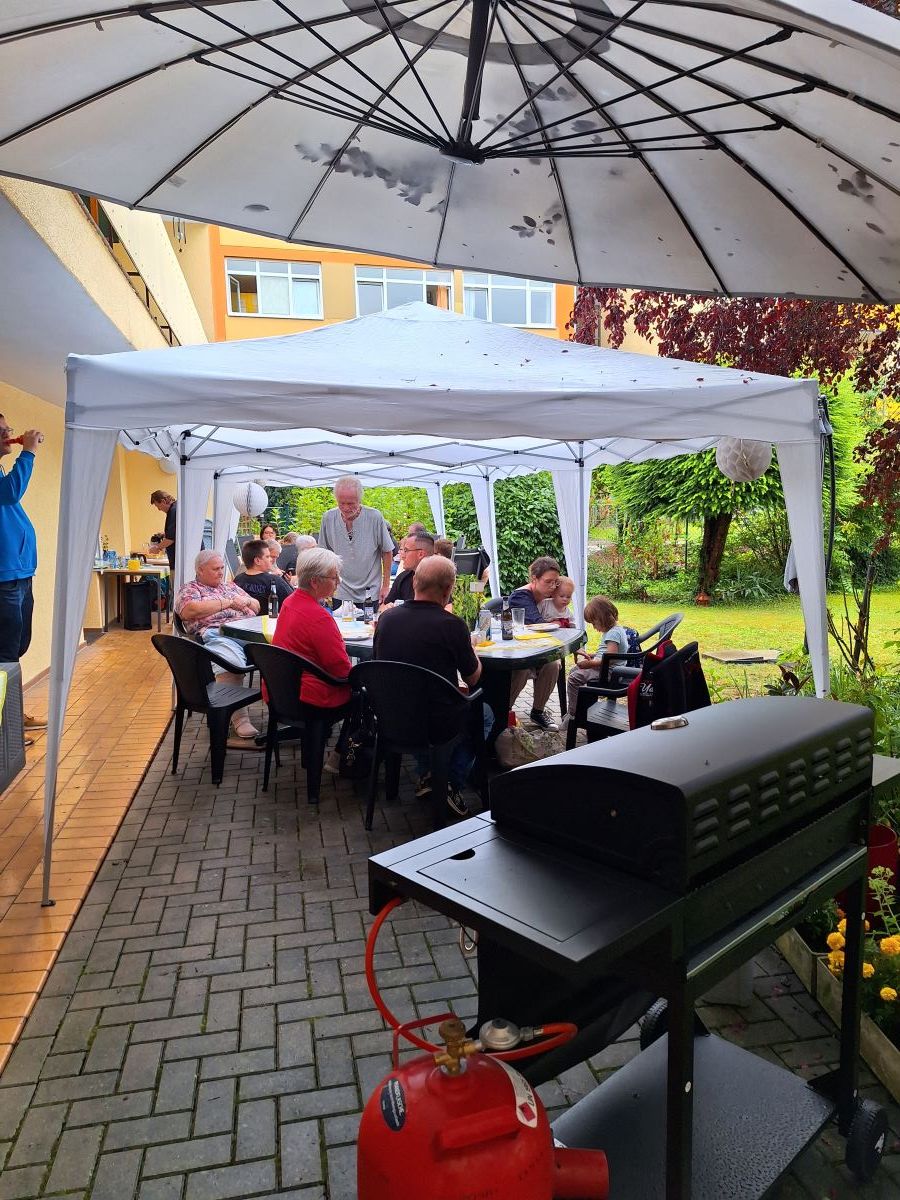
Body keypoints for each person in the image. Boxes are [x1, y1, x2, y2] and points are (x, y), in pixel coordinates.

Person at [374, 556, 492, 818]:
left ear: (415, 582)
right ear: (448, 589)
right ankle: (449, 781)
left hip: (391, 716)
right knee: (485, 715)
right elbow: (473, 679)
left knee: (438, 704)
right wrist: (473, 651)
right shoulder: (452, 626)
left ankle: (429, 775)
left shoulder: (386, 619)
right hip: (434, 721)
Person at [174, 550, 260, 742]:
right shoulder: (190, 589)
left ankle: (287, 708)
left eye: (222, 568)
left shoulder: (230, 586)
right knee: (229, 660)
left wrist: (246, 601)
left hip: (249, 630)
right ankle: (238, 718)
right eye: (216, 569)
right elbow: (189, 611)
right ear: (200, 570)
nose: (221, 572)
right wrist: (227, 603)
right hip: (217, 632)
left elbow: (256, 606)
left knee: (282, 652)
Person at [0, 417, 46, 743]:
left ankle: (12, 717)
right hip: (5, 581)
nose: (8, 434)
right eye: (1, 431)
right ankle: (7, 732)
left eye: (7, 429)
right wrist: (28, 453)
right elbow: (11, 492)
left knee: (15, 649)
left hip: (19, 577)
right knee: (4, 655)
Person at [273, 547, 352, 710]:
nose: (339, 581)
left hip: (281, 691)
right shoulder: (319, 617)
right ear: (315, 582)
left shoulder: (289, 602)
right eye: (334, 577)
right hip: (311, 698)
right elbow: (340, 668)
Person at [317, 476, 393, 607]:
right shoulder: (328, 518)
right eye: (341, 503)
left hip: (370, 591)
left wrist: (385, 586)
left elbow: (387, 551)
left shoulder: (374, 517)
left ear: (359, 500)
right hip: (340, 591)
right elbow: (323, 554)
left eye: (351, 503)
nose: (346, 508)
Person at [507, 556, 562, 731]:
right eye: (548, 582)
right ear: (534, 579)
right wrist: (557, 623)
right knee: (522, 668)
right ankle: (503, 711)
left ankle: (538, 712)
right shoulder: (521, 596)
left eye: (555, 582)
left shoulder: (549, 597)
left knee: (553, 664)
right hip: (514, 651)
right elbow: (539, 624)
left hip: (535, 649)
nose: (553, 587)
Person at [566, 595, 632, 719]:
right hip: (605, 668)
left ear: (603, 618)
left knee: (574, 678)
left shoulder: (613, 634)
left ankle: (574, 714)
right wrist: (590, 655)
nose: (594, 627)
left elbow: (610, 659)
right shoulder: (615, 630)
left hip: (609, 672)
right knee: (574, 670)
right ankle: (585, 706)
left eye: (594, 623)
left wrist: (590, 664)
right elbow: (606, 654)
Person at [232, 538, 292, 609]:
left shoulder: (238, 579)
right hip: (271, 615)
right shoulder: (274, 580)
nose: (270, 559)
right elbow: (294, 601)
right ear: (257, 561)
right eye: (268, 557)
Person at [382, 532, 434, 605]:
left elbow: (447, 607)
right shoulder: (403, 578)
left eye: (406, 550)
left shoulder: (439, 579)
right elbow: (384, 606)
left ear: (420, 554)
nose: (403, 556)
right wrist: (387, 608)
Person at [150, 490, 177, 570]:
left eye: (158, 506)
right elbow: (176, 532)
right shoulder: (176, 508)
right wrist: (166, 534)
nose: (159, 509)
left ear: (163, 501)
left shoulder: (173, 511)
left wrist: (157, 548)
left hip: (179, 561)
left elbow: (170, 539)